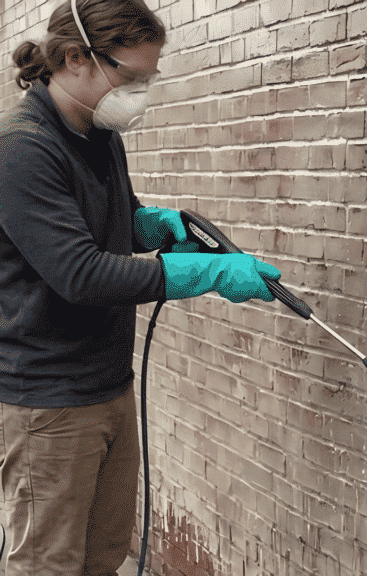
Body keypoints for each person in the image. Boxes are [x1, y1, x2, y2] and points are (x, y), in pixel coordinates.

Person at [0, 1, 281, 574]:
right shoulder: (21, 148)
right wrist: (207, 274)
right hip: (46, 402)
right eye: (131, 78)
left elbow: (109, 219)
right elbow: (81, 273)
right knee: (48, 563)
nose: (141, 94)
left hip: (108, 383)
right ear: (75, 58)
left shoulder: (98, 132)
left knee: (103, 555)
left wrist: (152, 224)